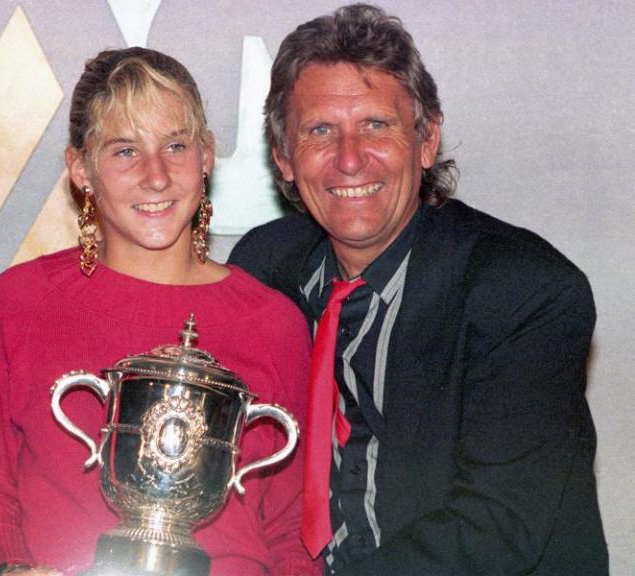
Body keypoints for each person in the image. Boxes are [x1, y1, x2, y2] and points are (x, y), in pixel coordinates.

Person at [228, 4, 608, 575]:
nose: (349, 159)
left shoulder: (526, 292)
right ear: (283, 157)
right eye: (320, 131)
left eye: (376, 125)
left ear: (426, 140)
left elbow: (497, 529)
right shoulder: (263, 268)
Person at [0, 47, 317, 576]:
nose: (156, 176)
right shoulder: (20, 301)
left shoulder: (273, 323)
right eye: (124, 151)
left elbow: (289, 533)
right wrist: (14, 569)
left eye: (176, 145)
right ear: (80, 169)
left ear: (207, 156)